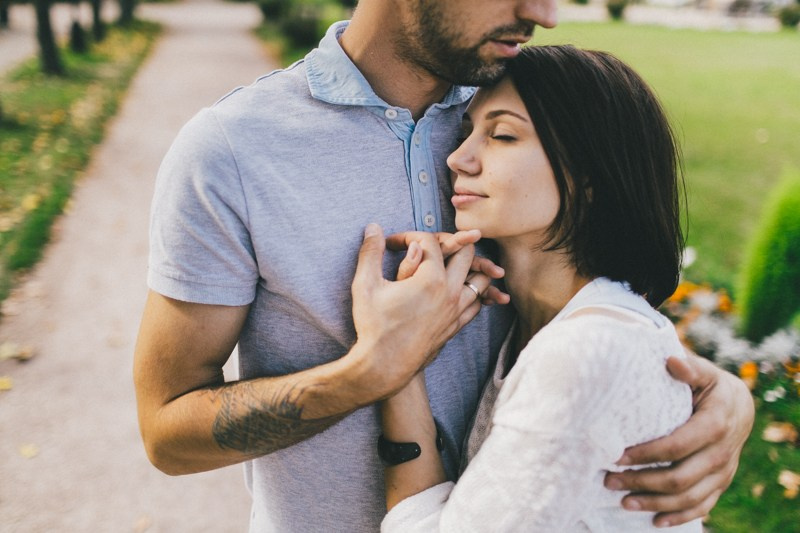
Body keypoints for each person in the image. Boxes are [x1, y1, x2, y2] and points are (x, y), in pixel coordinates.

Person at [133, 1, 754, 531]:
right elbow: (167, 433)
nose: (544, 13)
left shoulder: (519, 101)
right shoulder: (233, 149)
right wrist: (367, 374)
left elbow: (593, 312)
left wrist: (712, 395)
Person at [377, 44, 709, 531]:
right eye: (467, 133)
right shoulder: (536, 326)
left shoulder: (587, 350)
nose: (457, 158)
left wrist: (396, 360)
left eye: (503, 135)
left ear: (590, 175)